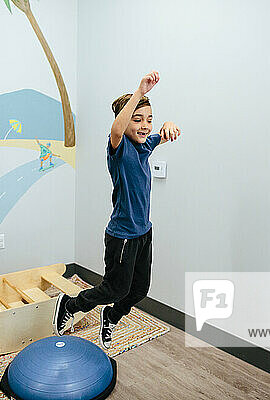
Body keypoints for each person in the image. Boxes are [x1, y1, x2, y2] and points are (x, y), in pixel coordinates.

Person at [53, 70, 182, 349]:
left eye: (148, 119)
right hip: (121, 235)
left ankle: (110, 316)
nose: (145, 125)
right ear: (124, 122)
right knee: (115, 288)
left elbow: (161, 134)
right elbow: (116, 130)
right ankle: (71, 304)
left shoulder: (144, 147)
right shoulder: (120, 149)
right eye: (137, 119)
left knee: (138, 290)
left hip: (143, 233)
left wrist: (169, 124)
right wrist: (140, 92)